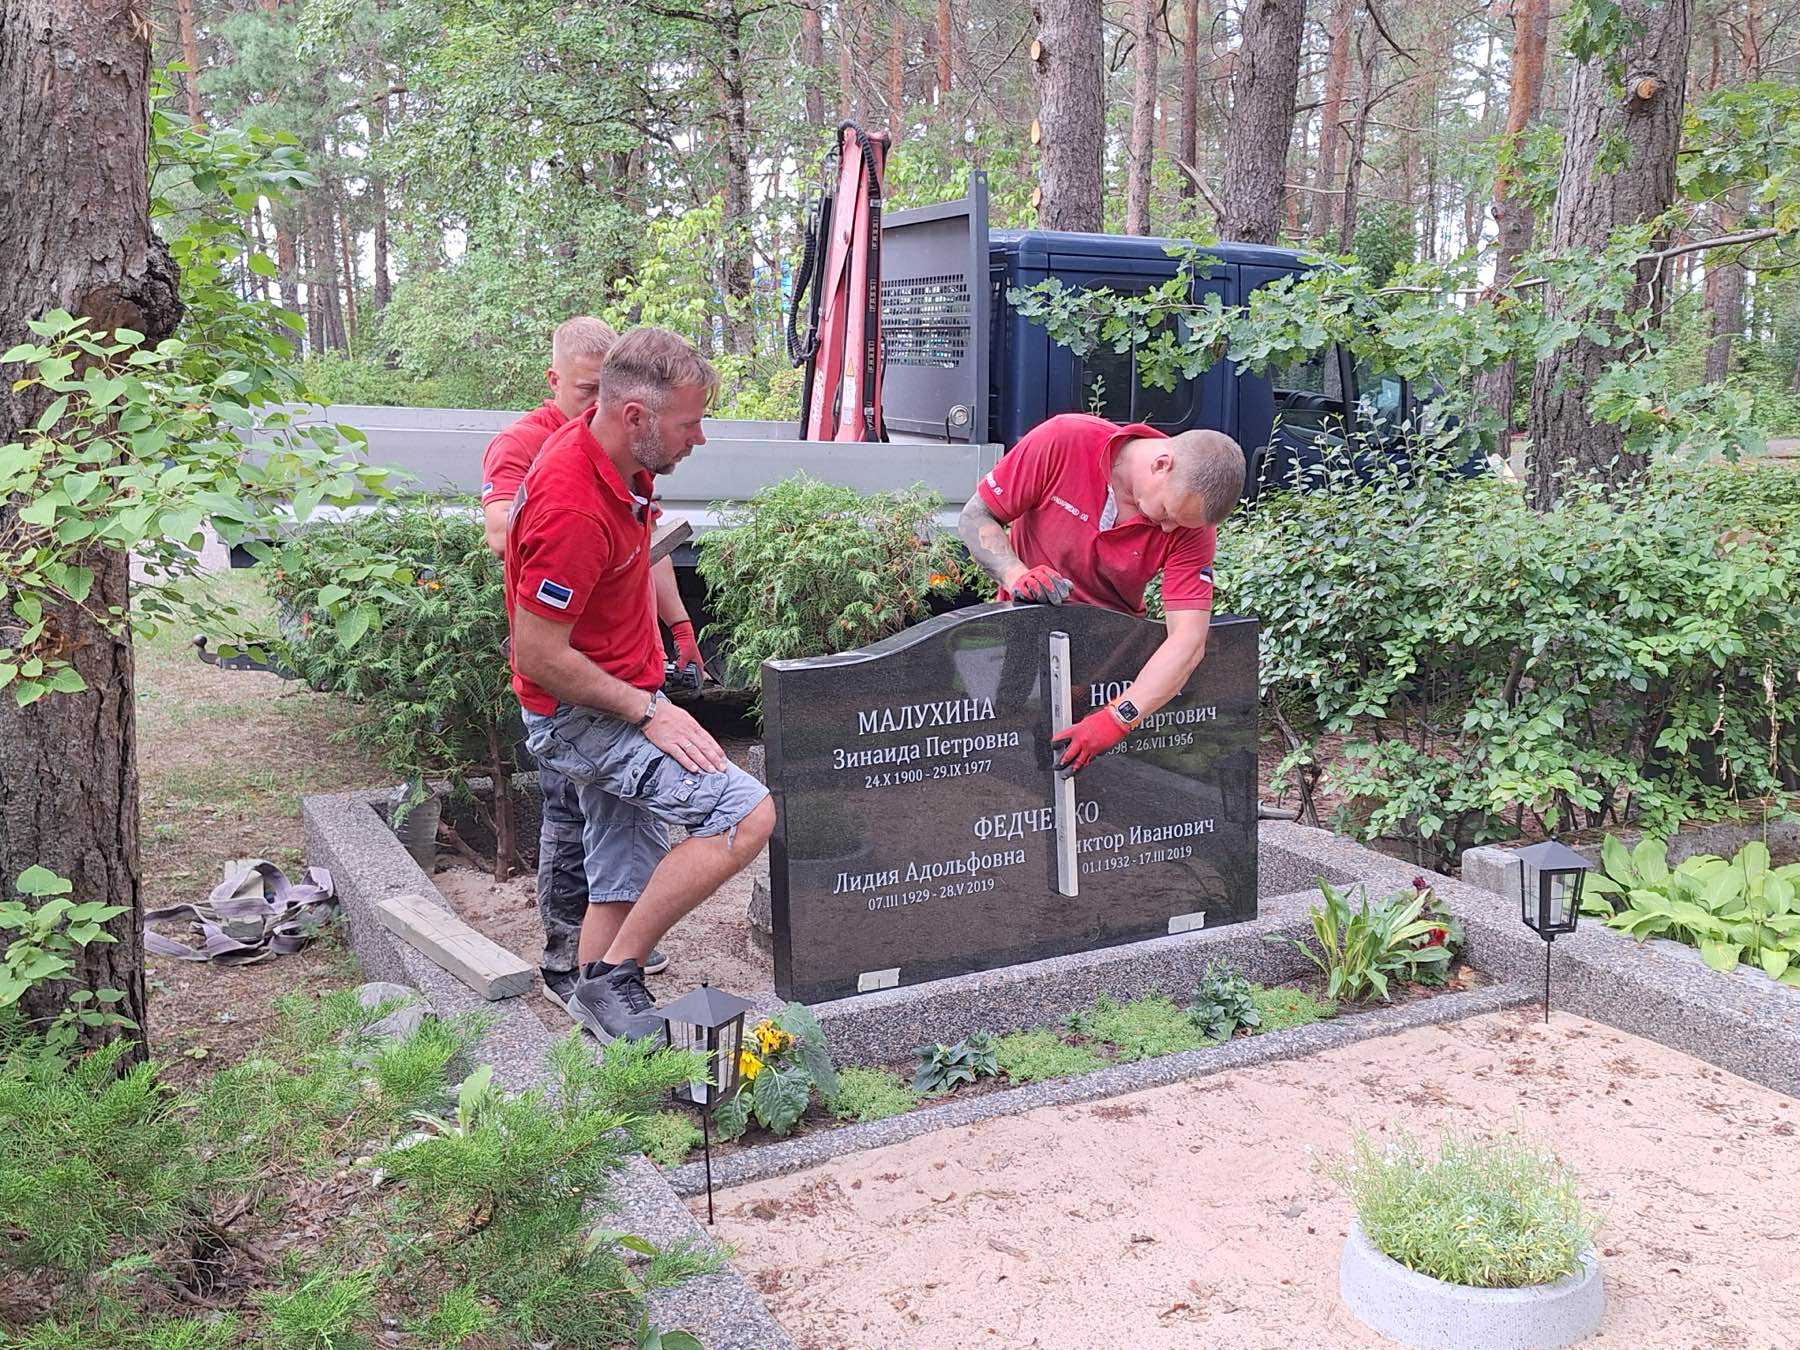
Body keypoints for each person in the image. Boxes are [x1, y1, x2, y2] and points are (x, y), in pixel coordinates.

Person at [506, 327, 775, 1042]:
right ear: (636, 417)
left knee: (624, 875)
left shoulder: (625, 462)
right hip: (581, 715)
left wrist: (675, 638)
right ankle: (614, 978)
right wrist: (647, 710)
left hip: (620, 698)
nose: (700, 438)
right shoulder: (570, 503)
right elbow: (536, 652)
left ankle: (599, 1032)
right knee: (745, 814)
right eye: (690, 422)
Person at [479, 318, 698, 1005]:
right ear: (556, 382)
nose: (595, 399)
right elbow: (501, 535)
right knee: (567, 815)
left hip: (621, 673)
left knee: (619, 822)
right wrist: (569, 527)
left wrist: (679, 627)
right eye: (585, 388)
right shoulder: (531, 449)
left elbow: (644, 553)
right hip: (566, 677)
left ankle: (608, 961)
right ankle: (564, 961)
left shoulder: (628, 458)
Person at [956, 412, 1245, 774]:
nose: (1169, 528)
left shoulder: (1192, 529)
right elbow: (976, 517)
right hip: (1025, 629)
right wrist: (1016, 575)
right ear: (1161, 464)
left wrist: (1117, 718)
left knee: (1085, 783)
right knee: (1008, 758)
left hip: (1107, 654)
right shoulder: (1063, 441)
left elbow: (1187, 641)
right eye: (1168, 513)